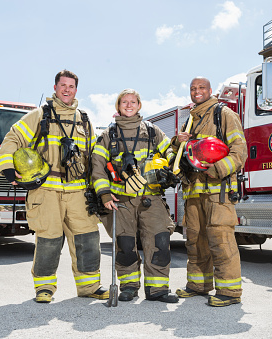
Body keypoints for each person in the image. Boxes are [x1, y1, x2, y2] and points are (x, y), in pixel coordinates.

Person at [0, 70, 108, 303]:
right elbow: (12, 139)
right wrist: (7, 167)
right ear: (55, 87)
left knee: (87, 238)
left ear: (76, 90)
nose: (67, 90)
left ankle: (89, 287)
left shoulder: (84, 120)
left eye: (71, 86)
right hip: (46, 190)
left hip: (78, 192)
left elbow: (94, 157)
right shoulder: (39, 115)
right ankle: (44, 288)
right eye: (63, 85)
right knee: (49, 240)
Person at [91, 88, 179, 303]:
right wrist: (104, 195)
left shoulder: (152, 131)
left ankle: (157, 289)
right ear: (118, 106)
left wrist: (171, 160)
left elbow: (170, 152)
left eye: (133, 102)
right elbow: (97, 166)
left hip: (152, 198)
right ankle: (129, 287)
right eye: (124, 102)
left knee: (159, 240)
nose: (129, 105)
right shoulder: (107, 136)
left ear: (139, 105)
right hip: (121, 200)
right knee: (126, 244)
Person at [172, 76, 248, 307]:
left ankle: (229, 291)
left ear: (210, 90)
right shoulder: (190, 120)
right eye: (193, 88)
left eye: (201, 87)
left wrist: (216, 169)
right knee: (195, 240)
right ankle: (198, 285)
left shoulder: (223, 114)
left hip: (219, 191)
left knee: (221, 239)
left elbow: (240, 152)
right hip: (193, 192)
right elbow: (182, 157)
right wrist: (178, 142)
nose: (197, 91)